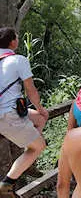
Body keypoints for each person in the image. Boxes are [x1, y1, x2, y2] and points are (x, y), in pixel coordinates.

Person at [0, 28, 48, 197]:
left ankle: (29, 152)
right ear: (12, 42)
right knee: (39, 146)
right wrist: (40, 107)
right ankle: (6, 187)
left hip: (8, 111)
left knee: (40, 118)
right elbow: (31, 90)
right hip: (7, 115)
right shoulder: (18, 60)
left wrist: (39, 112)